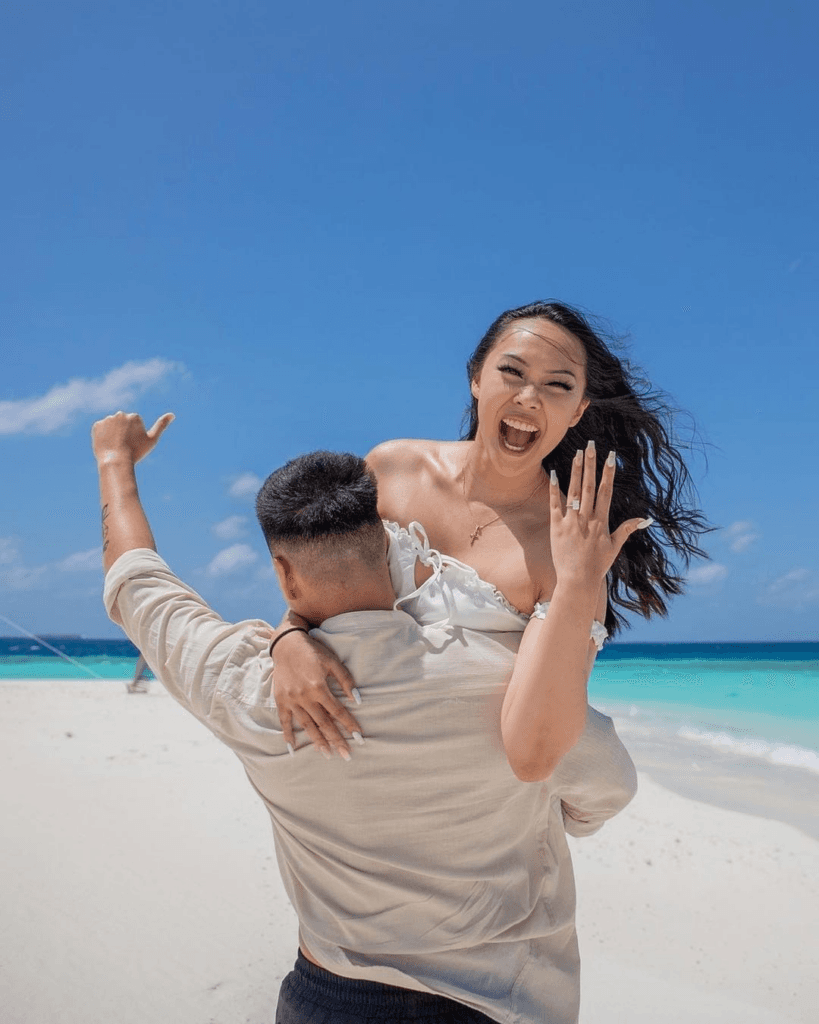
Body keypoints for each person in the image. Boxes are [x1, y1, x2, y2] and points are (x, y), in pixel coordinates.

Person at [92, 413, 637, 1024]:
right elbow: (608, 788)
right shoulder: (502, 682)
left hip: (328, 998)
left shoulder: (248, 690)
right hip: (497, 1003)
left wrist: (116, 462)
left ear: (283, 573)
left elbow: (135, 580)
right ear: (388, 543)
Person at [269, 300, 709, 765]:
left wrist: (579, 584)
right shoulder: (392, 470)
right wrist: (288, 640)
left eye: (557, 385)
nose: (529, 397)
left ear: (578, 410)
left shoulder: (569, 553)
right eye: (513, 372)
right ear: (476, 378)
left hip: (467, 793)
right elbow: (315, 590)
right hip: (347, 755)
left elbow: (532, 757)